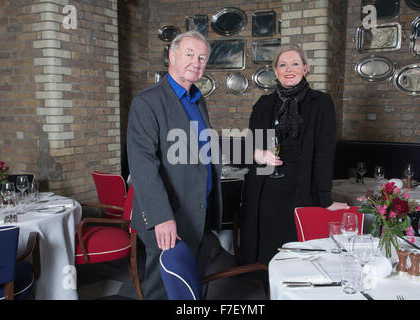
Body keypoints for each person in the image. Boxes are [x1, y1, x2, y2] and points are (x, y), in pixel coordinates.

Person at [127, 31, 223, 299]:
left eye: (202, 57)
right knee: (164, 290)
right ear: (172, 55)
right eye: (189, 54)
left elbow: (205, 146)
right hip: (169, 218)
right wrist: (161, 218)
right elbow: (143, 165)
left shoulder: (197, 99)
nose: (196, 62)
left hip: (199, 213)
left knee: (193, 288)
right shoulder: (147, 102)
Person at [240, 44, 349, 267]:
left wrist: (325, 199)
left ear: (305, 69)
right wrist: (256, 153)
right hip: (264, 190)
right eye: (282, 64)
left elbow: (323, 155)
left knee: (295, 255)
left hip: (300, 190)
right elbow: (250, 145)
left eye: (295, 64)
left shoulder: (321, 103)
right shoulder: (264, 104)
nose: (289, 69)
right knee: (264, 252)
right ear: (275, 71)